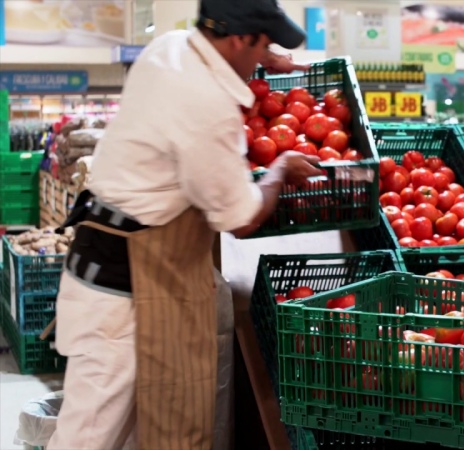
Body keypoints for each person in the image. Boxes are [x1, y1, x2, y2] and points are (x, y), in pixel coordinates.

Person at [47, 0, 319, 449]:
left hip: (121, 273)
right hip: (124, 299)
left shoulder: (168, 49)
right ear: (238, 39)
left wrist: (263, 57)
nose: (263, 57)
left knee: (131, 437)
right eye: (262, 44)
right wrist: (280, 169)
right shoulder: (208, 106)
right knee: (87, 439)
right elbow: (242, 218)